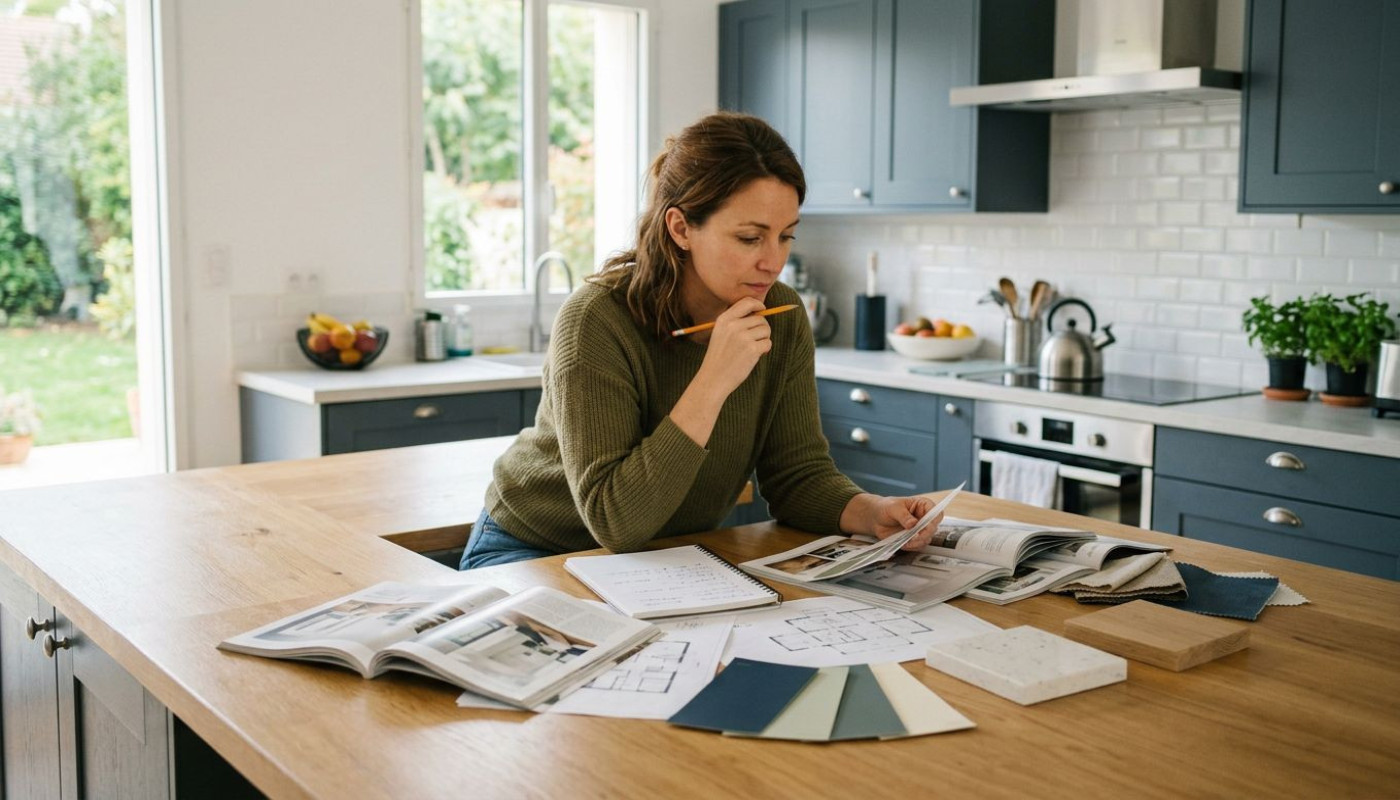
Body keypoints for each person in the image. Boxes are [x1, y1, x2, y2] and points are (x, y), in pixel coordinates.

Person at [460, 111, 941, 570]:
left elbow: (797, 475)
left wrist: (871, 511)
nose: (773, 262)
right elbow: (615, 522)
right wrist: (714, 378)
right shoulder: (596, 319)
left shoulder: (783, 316)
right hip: (535, 551)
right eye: (750, 238)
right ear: (681, 228)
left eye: (786, 236)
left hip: (668, 560)